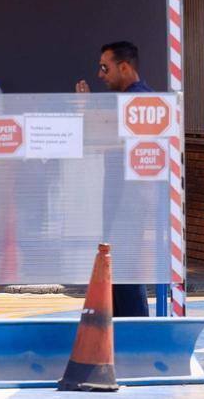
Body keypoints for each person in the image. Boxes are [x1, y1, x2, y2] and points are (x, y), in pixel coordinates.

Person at [76, 40, 151, 318]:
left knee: (126, 271)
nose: (100, 74)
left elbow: (102, 134)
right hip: (122, 200)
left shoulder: (138, 99)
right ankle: (121, 330)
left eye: (104, 67)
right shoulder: (129, 100)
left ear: (124, 67)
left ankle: (136, 333)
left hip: (129, 202)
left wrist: (84, 109)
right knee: (118, 271)